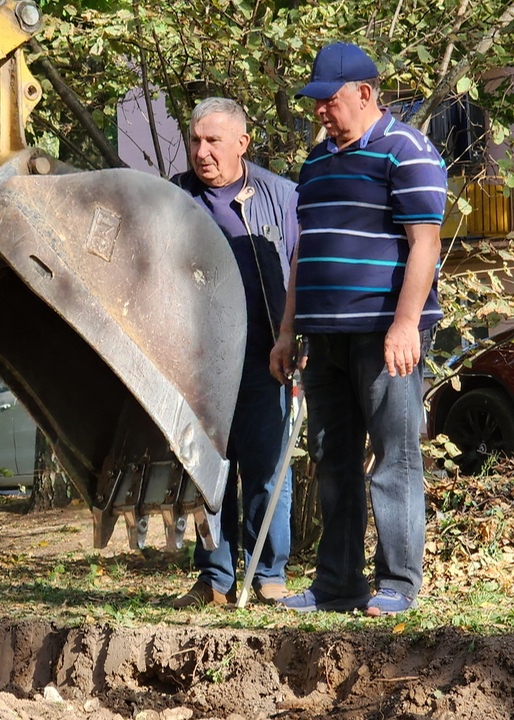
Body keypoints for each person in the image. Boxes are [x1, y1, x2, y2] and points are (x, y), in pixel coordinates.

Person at [270, 42, 447, 616]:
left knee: (394, 457)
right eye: (316, 101)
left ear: (365, 94)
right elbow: (305, 253)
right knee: (333, 457)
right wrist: (287, 331)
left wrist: (404, 325)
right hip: (323, 340)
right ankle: (336, 584)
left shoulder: (408, 152)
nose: (320, 110)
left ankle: (397, 584)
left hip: (384, 337)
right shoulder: (316, 163)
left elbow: (426, 244)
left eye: (329, 99)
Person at [170, 97, 298, 608]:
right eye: (196, 141)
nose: (202, 152)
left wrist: (299, 337)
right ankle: (215, 578)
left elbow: (299, 269)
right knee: (208, 473)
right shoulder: (173, 196)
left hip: (267, 356)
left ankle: (268, 575)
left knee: (268, 469)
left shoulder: (280, 196)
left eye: (214, 141)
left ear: (242, 144)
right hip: (198, 364)